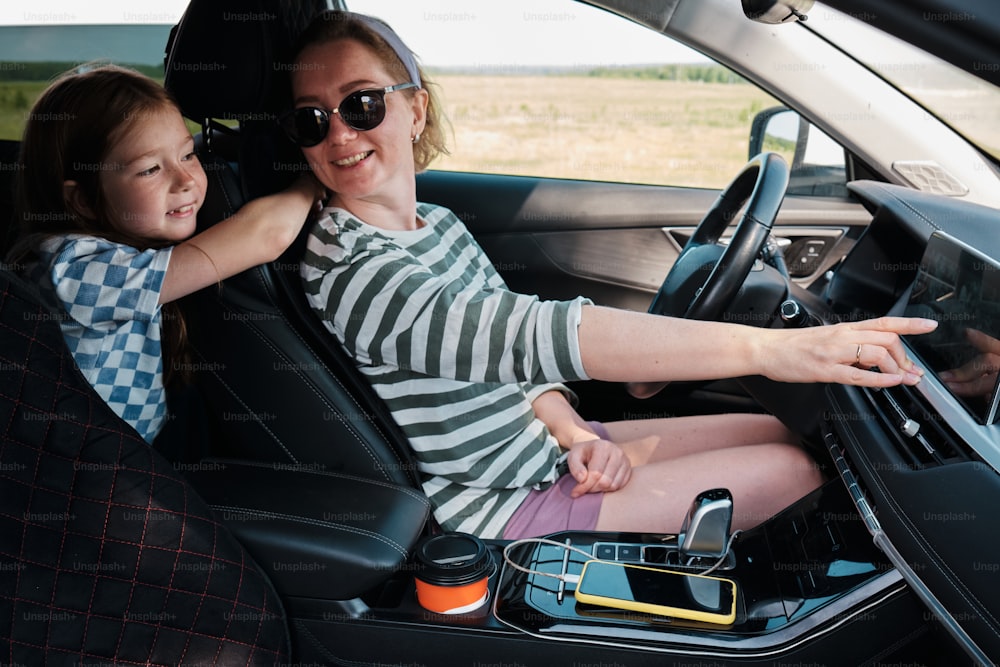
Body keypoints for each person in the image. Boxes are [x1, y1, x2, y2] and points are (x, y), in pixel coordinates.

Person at [285, 11, 938, 539]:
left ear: (415, 109)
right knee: (795, 468)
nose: (338, 133)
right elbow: (524, 334)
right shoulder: (352, 266)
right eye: (312, 119)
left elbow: (518, 369)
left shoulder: (438, 223)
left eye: (362, 104)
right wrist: (771, 348)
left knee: (790, 429)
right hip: (501, 503)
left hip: (549, 452)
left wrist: (572, 433)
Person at [10, 64, 324, 444]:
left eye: (188, 155)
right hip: (91, 474)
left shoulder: (114, 246)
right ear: (83, 199)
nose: (186, 179)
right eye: (150, 170)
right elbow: (264, 235)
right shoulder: (75, 272)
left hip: (138, 444)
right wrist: (311, 182)